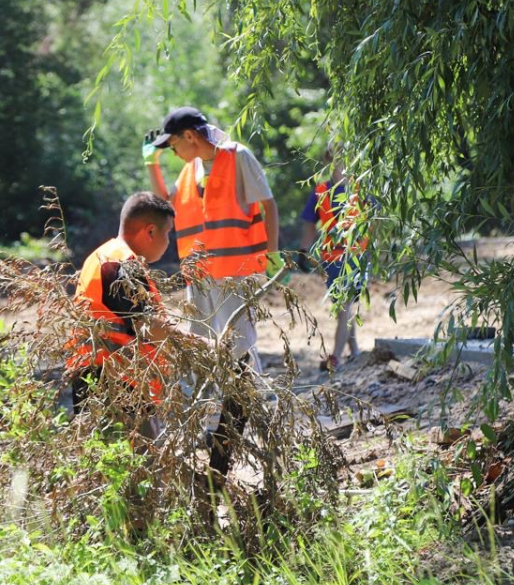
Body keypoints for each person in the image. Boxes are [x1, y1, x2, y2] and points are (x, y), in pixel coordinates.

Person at [144, 107, 283, 482]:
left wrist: (270, 256)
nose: (172, 153)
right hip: (201, 277)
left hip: (236, 273)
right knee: (207, 350)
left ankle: (256, 425)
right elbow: (165, 205)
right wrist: (151, 163)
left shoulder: (237, 157)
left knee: (238, 350)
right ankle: (221, 425)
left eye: (172, 145)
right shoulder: (191, 170)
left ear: (190, 136)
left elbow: (267, 203)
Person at [67, 192, 202, 441]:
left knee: (116, 466)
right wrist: (202, 345)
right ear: (150, 231)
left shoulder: (104, 256)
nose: (169, 240)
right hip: (114, 385)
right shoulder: (120, 264)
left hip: (100, 379)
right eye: (168, 232)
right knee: (136, 468)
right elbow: (149, 326)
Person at [299, 144, 370, 371]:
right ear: (329, 159)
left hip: (355, 256)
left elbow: (375, 221)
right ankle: (354, 349)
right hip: (331, 258)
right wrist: (303, 250)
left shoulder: (361, 189)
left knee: (345, 305)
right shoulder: (321, 191)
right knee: (344, 306)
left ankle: (336, 357)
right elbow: (310, 222)